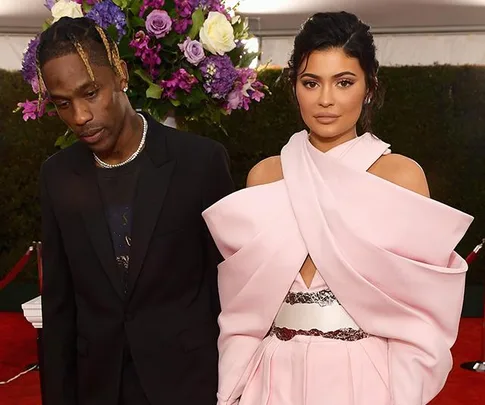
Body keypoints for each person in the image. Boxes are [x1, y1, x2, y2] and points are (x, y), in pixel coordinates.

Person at [202, 11, 473, 405]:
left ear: (368, 86)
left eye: (344, 82)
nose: (325, 100)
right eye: (311, 83)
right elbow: (244, 305)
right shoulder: (264, 176)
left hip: (365, 379)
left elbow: (425, 310)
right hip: (273, 376)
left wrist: (403, 389)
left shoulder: (401, 177)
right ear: (294, 85)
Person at [38, 16, 233, 405]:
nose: (79, 116)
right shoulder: (57, 176)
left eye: (91, 93)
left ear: (121, 75)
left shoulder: (199, 163)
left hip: (186, 385)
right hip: (98, 387)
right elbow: (58, 308)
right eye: (63, 104)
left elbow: (228, 292)